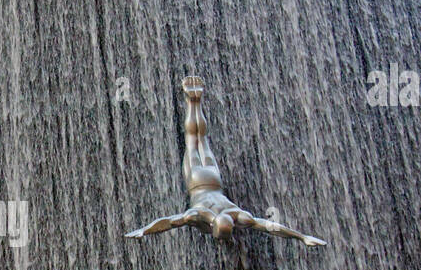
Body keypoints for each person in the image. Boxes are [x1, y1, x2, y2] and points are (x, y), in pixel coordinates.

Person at [126, 77, 326, 247]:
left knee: (198, 139)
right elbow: (269, 227)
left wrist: (304, 237)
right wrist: (302, 237)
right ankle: (192, 103)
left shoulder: (223, 214)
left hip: (213, 179)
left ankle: (195, 101)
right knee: (195, 141)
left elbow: (168, 222)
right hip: (199, 180)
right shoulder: (213, 215)